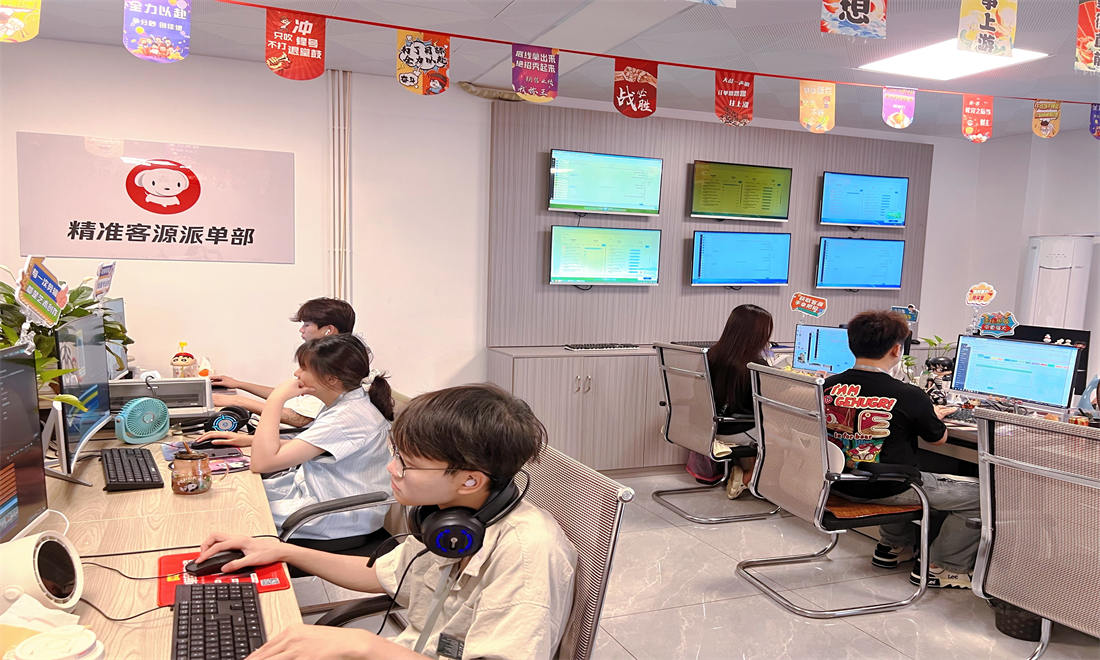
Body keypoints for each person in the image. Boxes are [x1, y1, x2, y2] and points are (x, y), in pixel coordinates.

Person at [195, 384, 577, 659]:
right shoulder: (450, 519)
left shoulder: (526, 553)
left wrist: (365, 646)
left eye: (407, 464)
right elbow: (381, 574)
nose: (391, 469)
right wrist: (282, 551)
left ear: (470, 480)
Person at [823, 310, 977, 589]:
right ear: (897, 349)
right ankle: (942, 566)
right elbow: (938, 439)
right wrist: (931, 414)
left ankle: (893, 547)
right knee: (981, 496)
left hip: (836, 482)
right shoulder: (908, 394)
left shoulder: (827, 386)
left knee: (899, 464)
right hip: (885, 488)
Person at [197, 334, 394, 545]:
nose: (296, 373)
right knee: (231, 496)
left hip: (337, 513)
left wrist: (277, 398)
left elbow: (262, 463)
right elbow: (318, 447)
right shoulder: (346, 403)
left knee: (231, 514)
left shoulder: (347, 417)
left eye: (304, 368)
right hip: (318, 492)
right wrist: (249, 441)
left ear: (331, 379)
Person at [211, 297, 356, 427]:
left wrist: (238, 401)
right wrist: (238, 384)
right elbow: (285, 395)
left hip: (288, 437)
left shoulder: (335, 363)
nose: (301, 330)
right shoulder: (324, 357)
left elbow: (299, 419)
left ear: (328, 330)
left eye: (307, 325)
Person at [705, 304, 773, 499]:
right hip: (736, 429)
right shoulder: (754, 365)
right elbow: (769, 402)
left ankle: (743, 470)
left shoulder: (712, 354)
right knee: (790, 434)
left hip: (710, 426)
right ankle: (747, 477)